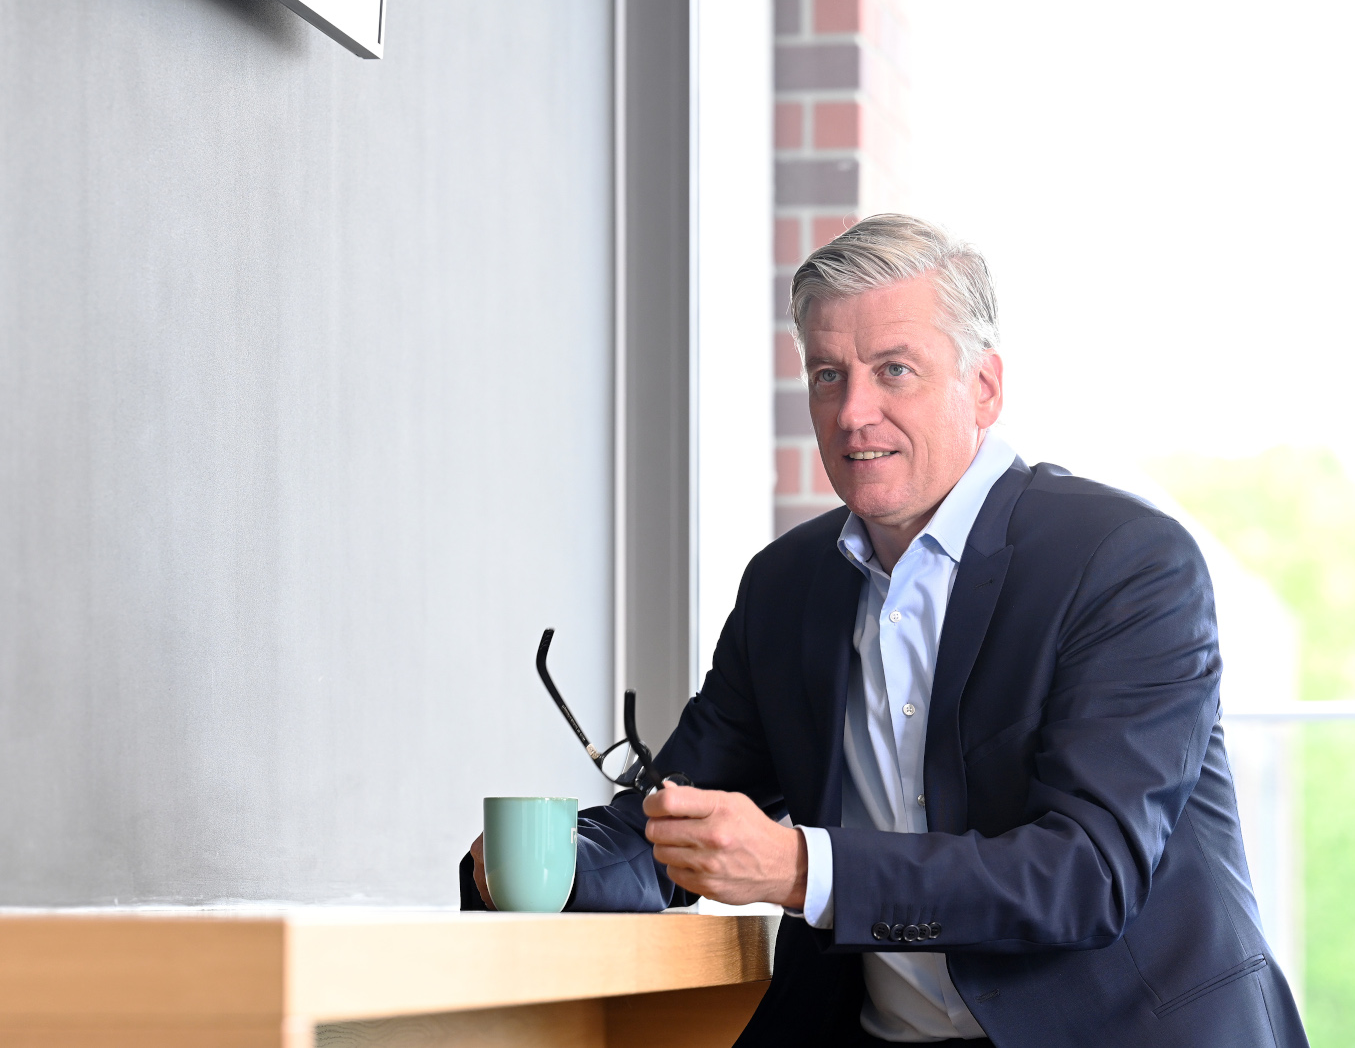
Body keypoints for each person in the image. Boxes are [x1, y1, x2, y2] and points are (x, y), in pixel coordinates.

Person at [464, 214, 1308, 1048]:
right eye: (827, 376)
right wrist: (551, 867)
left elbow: (1085, 879)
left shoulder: (1124, 561)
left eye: (894, 370)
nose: (854, 411)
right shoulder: (786, 587)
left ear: (984, 387)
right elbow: (675, 822)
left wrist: (802, 869)